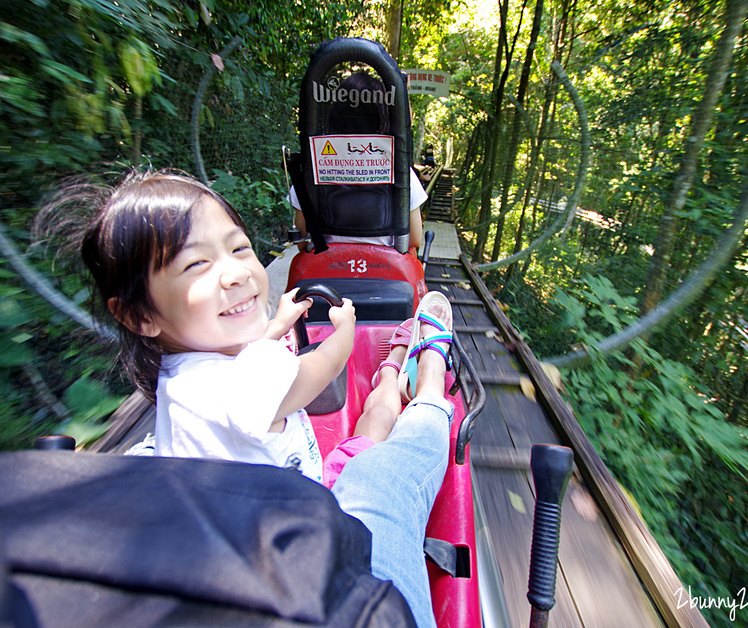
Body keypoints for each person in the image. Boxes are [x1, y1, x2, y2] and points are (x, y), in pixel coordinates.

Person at [39, 169, 456, 627]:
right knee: (376, 465)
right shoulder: (247, 384)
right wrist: (345, 333)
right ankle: (417, 378)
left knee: (364, 445)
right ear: (139, 314)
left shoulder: (182, 378)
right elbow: (317, 371)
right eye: (196, 265)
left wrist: (275, 326)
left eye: (239, 248)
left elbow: (249, 374)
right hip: (295, 556)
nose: (236, 272)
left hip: (271, 521)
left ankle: (394, 371)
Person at [290, 72, 428, 253]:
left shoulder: (313, 170)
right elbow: (415, 238)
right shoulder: (399, 171)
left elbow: (302, 241)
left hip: (325, 268)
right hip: (385, 270)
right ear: (383, 119)